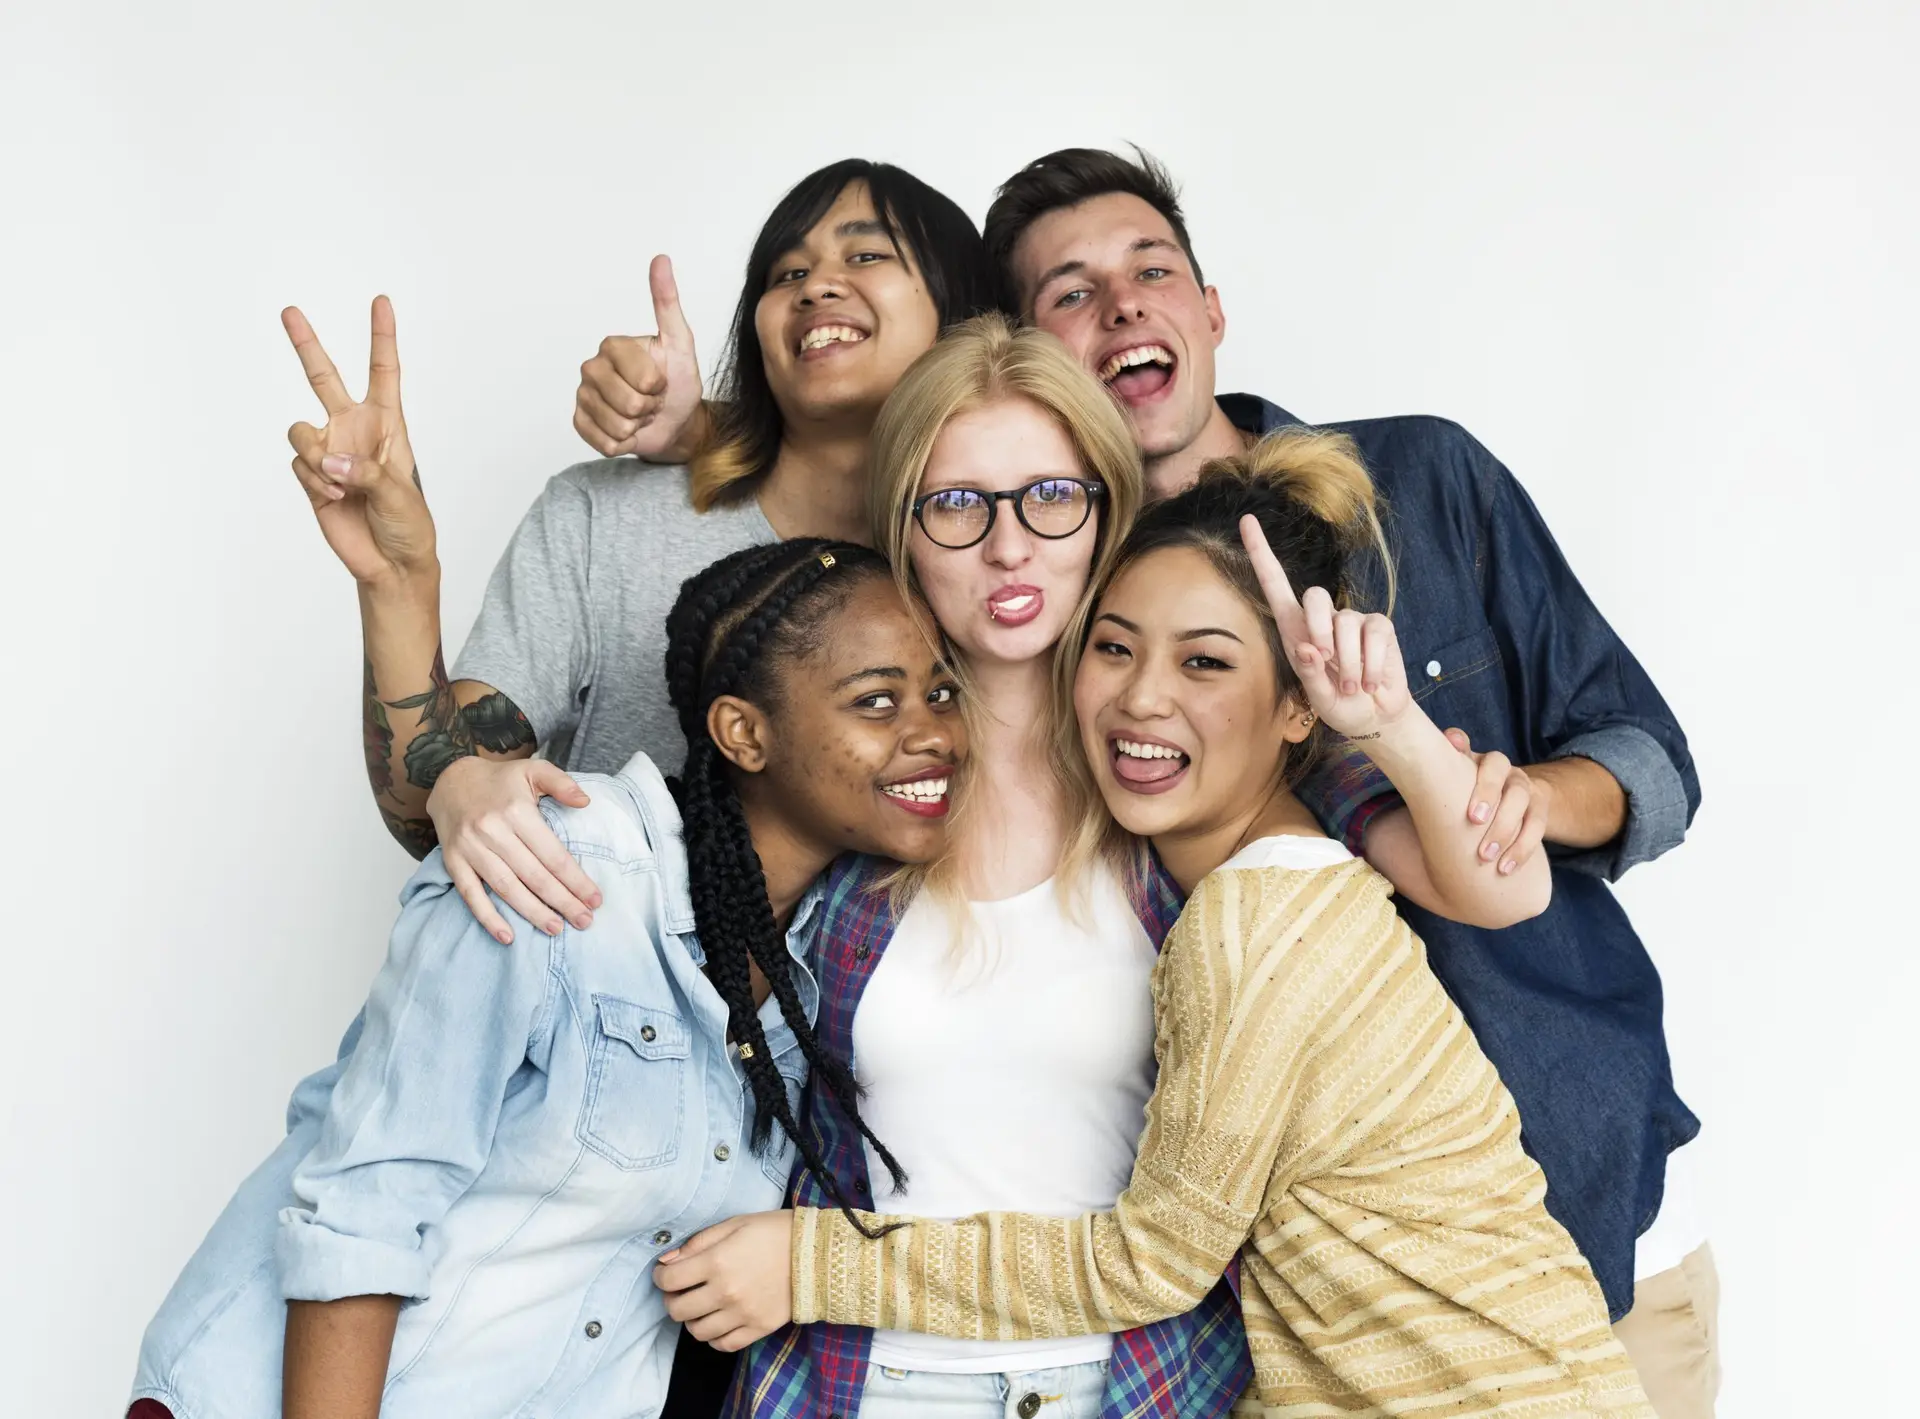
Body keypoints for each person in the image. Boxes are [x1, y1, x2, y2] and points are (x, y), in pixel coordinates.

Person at [649, 438, 1652, 1418]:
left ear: (1299, 708)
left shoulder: (1253, 921)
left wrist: (810, 1262)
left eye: (1205, 663)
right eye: (1115, 646)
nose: (1142, 697)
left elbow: (1151, 1263)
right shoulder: (1283, 876)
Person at [963, 147, 1710, 1415]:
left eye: (1153, 271)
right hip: (1288, 1307)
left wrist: (1509, 798)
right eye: (1072, 293)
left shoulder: (1419, 480)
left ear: (1209, 312)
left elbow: (1648, 758)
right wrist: (728, 433)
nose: (1125, 305)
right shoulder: (1041, 600)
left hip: (1579, 1235)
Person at [125, 535, 965, 1419]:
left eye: (943, 692)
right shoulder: (551, 862)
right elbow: (364, 1206)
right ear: (744, 733)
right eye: (878, 700)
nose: (933, 731)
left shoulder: (822, 976)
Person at [282, 157, 990, 950]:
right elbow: (435, 806)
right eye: (786, 270)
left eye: (866, 254)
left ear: (963, 311)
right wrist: (398, 583)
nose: (816, 285)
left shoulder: (999, 555)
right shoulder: (607, 518)